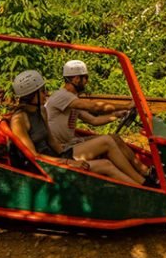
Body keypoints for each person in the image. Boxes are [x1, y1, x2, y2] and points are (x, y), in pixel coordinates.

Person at [8, 70, 147, 185]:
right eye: (43, 90)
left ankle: (144, 182)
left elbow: (53, 142)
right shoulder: (19, 119)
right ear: (33, 95)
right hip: (42, 166)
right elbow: (33, 156)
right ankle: (145, 189)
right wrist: (69, 162)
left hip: (55, 155)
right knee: (106, 160)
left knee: (110, 141)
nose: (47, 93)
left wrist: (70, 151)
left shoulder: (41, 111)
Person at [46, 60, 153, 185]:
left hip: (70, 144)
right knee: (107, 141)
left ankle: (145, 171)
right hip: (61, 151)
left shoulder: (72, 100)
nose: (87, 81)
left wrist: (116, 115)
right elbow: (95, 108)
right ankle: (143, 183)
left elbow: (93, 120)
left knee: (114, 138)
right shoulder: (62, 96)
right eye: (85, 78)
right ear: (75, 79)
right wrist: (126, 106)